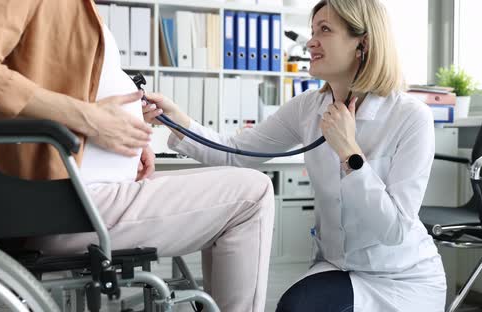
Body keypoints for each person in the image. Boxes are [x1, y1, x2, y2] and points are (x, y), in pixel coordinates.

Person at [142, 0, 447, 311]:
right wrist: (176, 120)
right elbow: (235, 153)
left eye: (325, 30)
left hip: (401, 278)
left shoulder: (411, 117)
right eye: (312, 30)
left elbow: (394, 230)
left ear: (363, 44)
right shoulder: (306, 108)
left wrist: (349, 152)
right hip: (337, 267)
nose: (311, 41)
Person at [0, 1, 275, 311]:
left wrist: (131, 138)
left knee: (237, 186)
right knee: (253, 194)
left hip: (85, 194)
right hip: (68, 205)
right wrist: (90, 120)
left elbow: (63, 85)